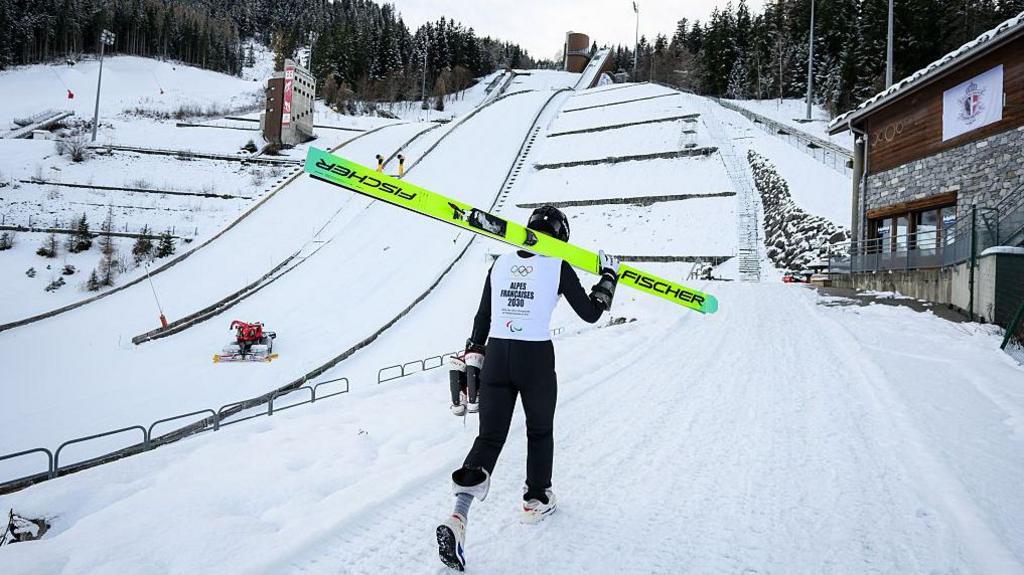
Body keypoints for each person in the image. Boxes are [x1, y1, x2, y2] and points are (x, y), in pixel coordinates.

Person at [436, 205, 620, 571]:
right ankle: (535, 499)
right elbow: (590, 313)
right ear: (562, 236)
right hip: (534, 356)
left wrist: (473, 351)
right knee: (539, 431)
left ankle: (458, 517)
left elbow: (482, 317)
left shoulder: (500, 263)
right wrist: (608, 277)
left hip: (497, 354)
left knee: (488, 438)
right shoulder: (557, 265)